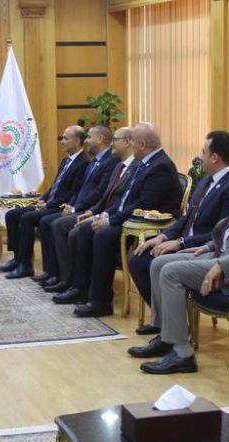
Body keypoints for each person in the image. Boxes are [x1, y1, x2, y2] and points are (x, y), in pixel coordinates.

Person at [133, 135, 229, 373]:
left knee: (170, 272)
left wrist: (222, 264)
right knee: (158, 263)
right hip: (219, 254)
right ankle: (167, 336)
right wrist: (207, 246)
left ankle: (182, 354)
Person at [127, 131, 229, 329]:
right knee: (138, 259)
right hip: (182, 241)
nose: (200, 156)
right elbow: (187, 216)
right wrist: (163, 236)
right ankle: (164, 322)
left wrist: (180, 243)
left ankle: (171, 326)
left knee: (155, 263)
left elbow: (222, 232)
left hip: (200, 247)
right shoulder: (208, 179)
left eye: (203, 152)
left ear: (214, 157)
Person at [71, 124, 182, 317]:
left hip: (149, 224)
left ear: (142, 144)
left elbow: (143, 204)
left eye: (132, 141)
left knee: (103, 236)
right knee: (86, 230)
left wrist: (110, 221)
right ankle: (86, 292)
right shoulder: (144, 163)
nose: (130, 144)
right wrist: (103, 215)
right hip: (131, 217)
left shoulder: (160, 166)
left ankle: (101, 301)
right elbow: (124, 200)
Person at [50, 127, 138, 303]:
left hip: (125, 221)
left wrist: (103, 217)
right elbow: (107, 197)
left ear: (128, 142)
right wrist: (93, 213)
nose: (112, 144)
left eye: (115, 140)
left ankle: (87, 291)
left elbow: (130, 203)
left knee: (79, 231)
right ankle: (78, 286)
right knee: (76, 228)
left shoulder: (133, 167)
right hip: (106, 213)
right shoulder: (120, 166)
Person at [0, 126, 89, 279]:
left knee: (27, 218)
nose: (62, 141)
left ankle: (26, 265)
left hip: (61, 207)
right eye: (61, 138)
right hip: (50, 203)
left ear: (77, 141)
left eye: (65, 138)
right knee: (12, 215)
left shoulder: (83, 163)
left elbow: (72, 193)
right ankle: (17, 258)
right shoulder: (66, 160)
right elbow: (55, 186)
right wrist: (43, 199)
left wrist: (48, 204)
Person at [34, 125, 118, 290]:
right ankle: (59, 274)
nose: (86, 141)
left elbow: (100, 192)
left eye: (89, 137)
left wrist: (77, 208)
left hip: (91, 209)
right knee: (49, 222)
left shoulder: (110, 161)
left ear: (100, 139)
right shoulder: (95, 160)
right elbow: (81, 189)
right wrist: (72, 205)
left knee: (57, 224)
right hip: (80, 207)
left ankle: (67, 279)